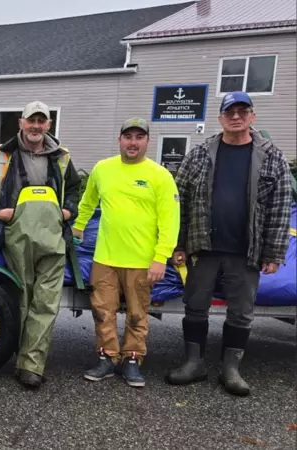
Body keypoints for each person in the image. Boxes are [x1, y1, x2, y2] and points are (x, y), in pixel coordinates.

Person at [165, 92, 291, 396]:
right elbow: (179, 201)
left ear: (252, 116)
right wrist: (178, 245)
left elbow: (280, 207)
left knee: (241, 312)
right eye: (230, 112)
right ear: (221, 118)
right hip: (202, 248)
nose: (236, 117)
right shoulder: (199, 153)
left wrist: (273, 252)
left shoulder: (272, 156)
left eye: (242, 111)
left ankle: (231, 369)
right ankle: (194, 363)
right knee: (195, 306)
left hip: (246, 250)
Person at [0, 101, 81, 389]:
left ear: (48, 125)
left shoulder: (62, 157)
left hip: (53, 239)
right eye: (31, 120)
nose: (36, 126)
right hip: (16, 238)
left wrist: (68, 210)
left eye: (41, 121)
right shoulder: (0, 155)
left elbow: (74, 189)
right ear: (21, 123)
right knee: (21, 300)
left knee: (46, 304)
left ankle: (31, 366)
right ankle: (20, 356)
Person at [73, 118, 180, 388]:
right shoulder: (102, 169)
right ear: (119, 140)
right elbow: (88, 201)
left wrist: (161, 257)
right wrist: (78, 226)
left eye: (139, 137)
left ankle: (133, 358)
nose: (133, 142)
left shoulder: (160, 176)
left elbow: (170, 220)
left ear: (147, 141)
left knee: (136, 313)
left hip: (141, 261)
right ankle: (107, 357)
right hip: (105, 258)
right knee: (102, 311)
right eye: (128, 137)